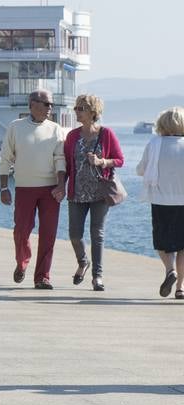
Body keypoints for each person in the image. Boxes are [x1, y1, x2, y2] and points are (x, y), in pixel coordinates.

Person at [0, 89, 67, 289]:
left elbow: (60, 159)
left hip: (50, 190)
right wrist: (4, 187)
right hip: (24, 188)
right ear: (32, 104)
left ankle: (42, 277)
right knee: (21, 231)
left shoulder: (56, 129)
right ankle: (22, 262)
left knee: (49, 234)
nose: (50, 108)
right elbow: (6, 157)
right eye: (46, 104)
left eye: (51, 105)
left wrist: (62, 185)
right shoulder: (16, 127)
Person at [62, 94, 123, 291]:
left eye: (81, 108)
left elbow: (120, 160)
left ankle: (98, 277)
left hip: (100, 193)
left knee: (97, 234)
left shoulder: (106, 134)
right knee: (74, 234)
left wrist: (101, 162)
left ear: (92, 112)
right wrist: (60, 186)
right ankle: (83, 262)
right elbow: (66, 165)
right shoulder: (72, 136)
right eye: (76, 108)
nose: (76, 112)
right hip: (77, 193)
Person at [137, 106, 184, 300]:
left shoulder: (154, 143)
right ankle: (180, 288)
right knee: (183, 246)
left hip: (160, 201)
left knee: (162, 243)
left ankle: (169, 269)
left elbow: (141, 170)